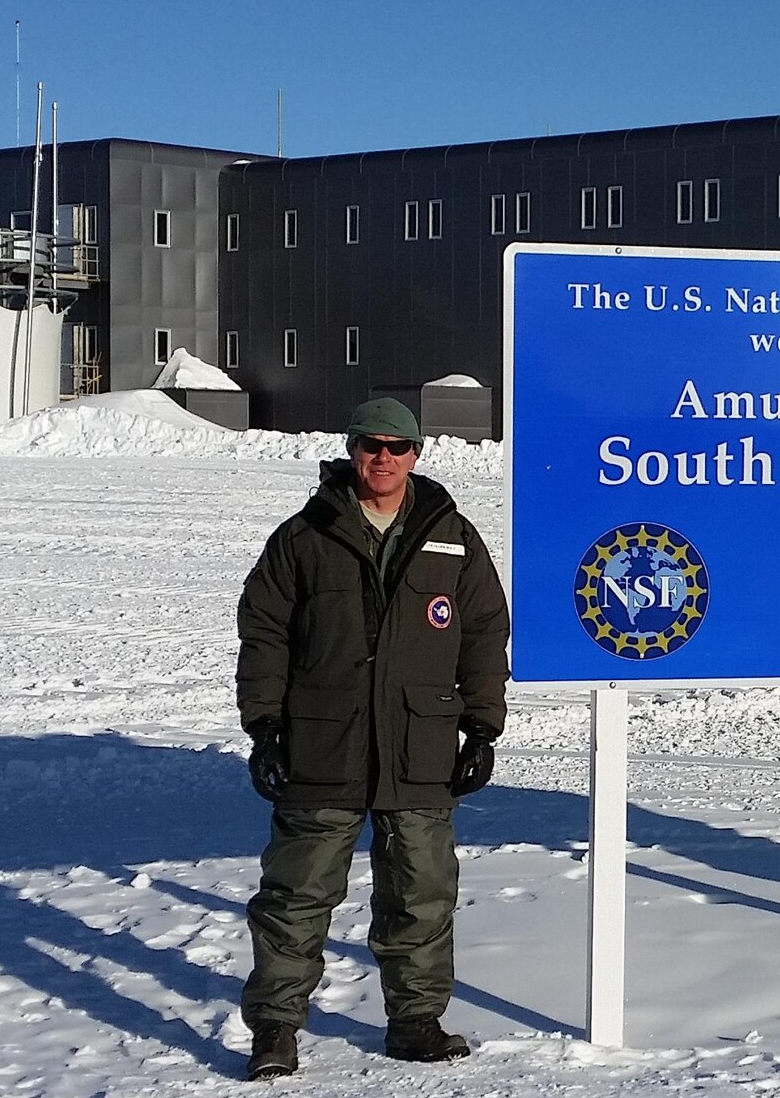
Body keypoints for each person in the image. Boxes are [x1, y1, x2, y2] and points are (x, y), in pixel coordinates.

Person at [236, 398, 510, 1080]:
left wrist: (482, 724)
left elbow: (482, 632)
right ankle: (275, 1026)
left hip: (420, 745)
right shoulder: (306, 535)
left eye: (397, 445)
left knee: (421, 890)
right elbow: (264, 629)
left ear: (417, 453)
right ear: (351, 448)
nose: (382, 457)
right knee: (296, 893)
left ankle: (415, 1020)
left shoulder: (451, 535)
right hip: (322, 745)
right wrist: (264, 725)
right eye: (370, 444)